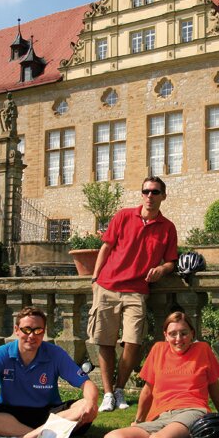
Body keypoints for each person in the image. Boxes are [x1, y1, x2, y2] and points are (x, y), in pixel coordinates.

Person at [84, 311, 219, 438]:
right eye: (173, 334)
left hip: (193, 411)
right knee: (113, 437)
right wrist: (138, 420)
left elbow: (215, 390)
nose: (179, 339)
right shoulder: (158, 350)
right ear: (165, 335)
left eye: (184, 333)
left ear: (193, 334)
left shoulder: (202, 350)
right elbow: (147, 391)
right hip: (161, 416)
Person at [88, 176, 178, 412]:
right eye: (146, 191)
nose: (150, 195)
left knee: (133, 341)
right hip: (108, 286)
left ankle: (119, 388)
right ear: (142, 194)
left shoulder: (167, 227)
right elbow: (106, 246)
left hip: (136, 291)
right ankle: (108, 393)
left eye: (155, 192)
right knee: (104, 341)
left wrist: (162, 268)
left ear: (163, 196)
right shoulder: (124, 216)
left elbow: (171, 261)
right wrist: (95, 278)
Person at [0, 306, 99, 438]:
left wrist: (91, 403)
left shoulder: (55, 353)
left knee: (85, 406)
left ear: (43, 332)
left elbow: (86, 384)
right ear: (16, 330)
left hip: (49, 414)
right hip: (11, 416)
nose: (32, 336)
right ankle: (43, 437)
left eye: (38, 330)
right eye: (26, 329)